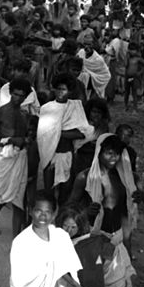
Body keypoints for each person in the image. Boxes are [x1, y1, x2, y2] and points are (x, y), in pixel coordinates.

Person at [67, 133, 138, 287]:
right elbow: (68, 209)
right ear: (99, 152)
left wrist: (127, 245)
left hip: (116, 238)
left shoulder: (123, 178)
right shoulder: (84, 178)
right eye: (108, 153)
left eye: (116, 154)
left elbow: (124, 213)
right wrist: (84, 213)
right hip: (93, 239)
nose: (112, 158)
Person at [10, 191, 94, 287]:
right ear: (30, 211)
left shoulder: (60, 236)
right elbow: (18, 282)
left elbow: (61, 268)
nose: (43, 216)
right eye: (38, 211)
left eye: (48, 212)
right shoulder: (21, 243)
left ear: (54, 214)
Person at [0, 77, 32, 236]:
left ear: (26, 97)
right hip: (5, 157)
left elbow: (27, 140)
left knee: (19, 198)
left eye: (21, 95)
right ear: (11, 93)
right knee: (3, 193)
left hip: (21, 157)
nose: (18, 98)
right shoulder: (1, 112)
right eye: (15, 94)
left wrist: (25, 141)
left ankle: (16, 239)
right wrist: (10, 140)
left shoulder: (26, 115)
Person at [37, 73, 93, 202]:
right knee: (48, 192)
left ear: (70, 91)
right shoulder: (47, 108)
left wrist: (57, 132)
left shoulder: (75, 107)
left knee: (65, 192)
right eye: (58, 88)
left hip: (67, 155)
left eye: (64, 89)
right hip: (50, 155)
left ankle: (60, 219)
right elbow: (42, 135)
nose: (60, 92)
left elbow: (83, 132)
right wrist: (62, 132)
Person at [56, 208, 114, 287]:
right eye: (65, 226)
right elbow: (60, 269)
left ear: (80, 226)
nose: (68, 230)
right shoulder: (55, 240)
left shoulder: (87, 241)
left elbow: (110, 252)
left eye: (73, 227)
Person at [124, 41, 144, 112]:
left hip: (134, 77)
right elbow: (125, 64)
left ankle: (135, 108)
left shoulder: (138, 58)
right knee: (126, 92)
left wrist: (139, 72)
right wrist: (127, 56)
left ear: (136, 51)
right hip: (127, 76)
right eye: (130, 50)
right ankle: (125, 106)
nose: (132, 51)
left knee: (134, 93)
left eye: (133, 50)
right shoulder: (128, 58)